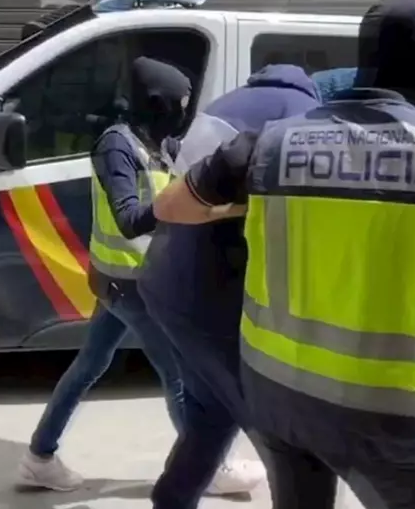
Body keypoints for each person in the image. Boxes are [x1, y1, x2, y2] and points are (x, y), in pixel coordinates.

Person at [156, 0, 415, 509]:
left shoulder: (266, 144)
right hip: (390, 407)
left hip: (278, 393)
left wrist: (250, 204)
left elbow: (169, 206)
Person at [16, 57, 258, 497]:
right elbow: (129, 218)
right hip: (129, 285)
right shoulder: (116, 145)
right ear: (157, 102)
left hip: (128, 279)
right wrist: (195, 210)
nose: (184, 111)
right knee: (179, 377)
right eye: (180, 103)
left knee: (89, 365)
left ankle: (39, 457)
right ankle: (211, 468)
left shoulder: (157, 142)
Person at [139, 64, 319, 509]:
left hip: (164, 283)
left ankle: (171, 501)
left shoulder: (225, 104)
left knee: (210, 413)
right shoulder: (303, 116)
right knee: (282, 440)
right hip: (211, 291)